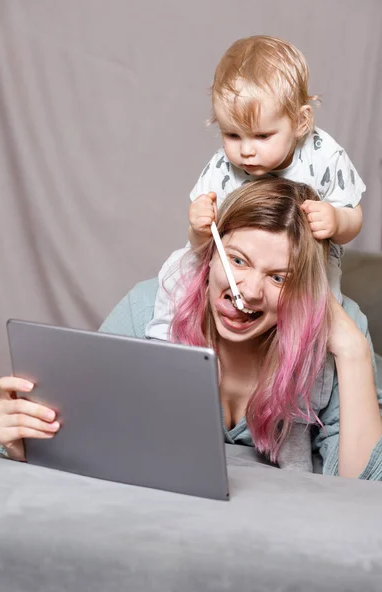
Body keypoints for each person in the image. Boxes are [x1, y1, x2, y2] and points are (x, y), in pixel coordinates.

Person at [0, 179, 382, 478]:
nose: (247, 291)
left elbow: (359, 489)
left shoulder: (340, 333)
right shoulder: (150, 311)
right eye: (238, 261)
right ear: (209, 254)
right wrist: (26, 443)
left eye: (279, 279)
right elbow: (86, 439)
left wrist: (353, 351)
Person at [145, 35, 366, 470]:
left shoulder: (323, 157)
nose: (246, 151)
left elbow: (354, 215)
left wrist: (337, 222)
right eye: (232, 135)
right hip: (202, 298)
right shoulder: (222, 169)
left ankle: (295, 443)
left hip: (315, 282)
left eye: (263, 135)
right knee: (178, 270)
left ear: (301, 122)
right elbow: (203, 247)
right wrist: (197, 224)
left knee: (309, 350)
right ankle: (163, 359)